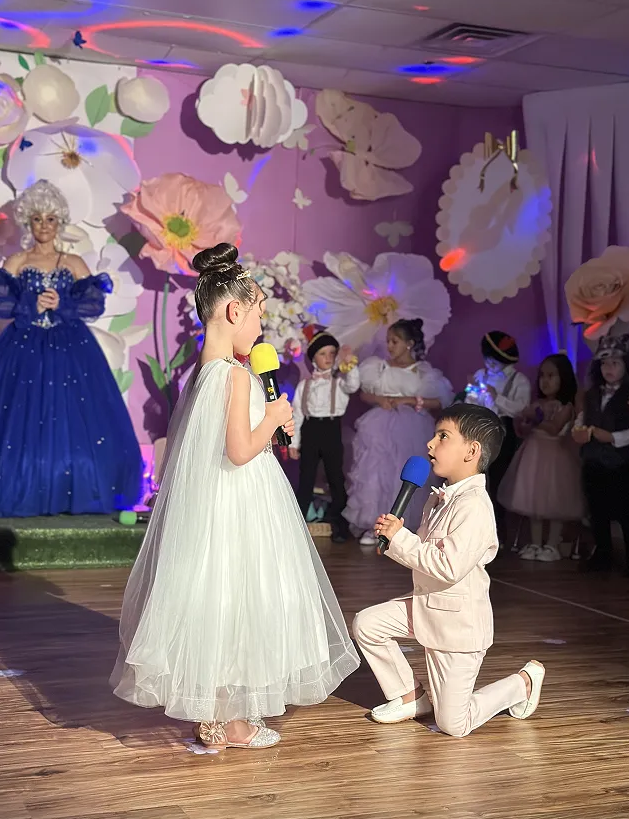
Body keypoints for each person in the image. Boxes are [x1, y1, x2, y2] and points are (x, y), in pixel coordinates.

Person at [111, 243, 360, 750]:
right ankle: (234, 720)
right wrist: (272, 419)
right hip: (242, 502)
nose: (261, 329)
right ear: (234, 311)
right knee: (246, 598)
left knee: (217, 599)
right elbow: (240, 450)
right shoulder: (237, 376)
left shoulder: (199, 373)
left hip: (212, 505)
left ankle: (218, 717)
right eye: (260, 318)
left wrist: (269, 423)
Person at [353, 403, 545, 737]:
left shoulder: (474, 507)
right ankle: (410, 696)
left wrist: (400, 539)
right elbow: (427, 553)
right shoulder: (439, 498)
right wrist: (396, 538)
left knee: (453, 725)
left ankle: (522, 684)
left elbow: (447, 567)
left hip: (457, 626)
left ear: (472, 450)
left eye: (443, 436)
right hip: (428, 607)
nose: (430, 444)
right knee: (367, 624)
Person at [0, 179, 141, 517]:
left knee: (75, 424)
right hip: (22, 347)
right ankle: (18, 492)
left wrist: (62, 304)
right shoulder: (16, 262)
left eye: (50, 219)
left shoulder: (74, 263)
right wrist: (31, 303)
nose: (44, 225)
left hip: (70, 349)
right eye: (37, 218)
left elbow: (92, 304)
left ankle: (69, 491)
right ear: (27, 222)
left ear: (59, 222)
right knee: (15, 427)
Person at [344, 318, 454, 546]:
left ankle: (405, 525)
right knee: (376, 473)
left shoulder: (422, 372)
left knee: (404, 472)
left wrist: (412, 400)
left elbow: (440, 401)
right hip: (380, 425)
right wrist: (380, 399)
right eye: (388, 341)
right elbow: (365, 393)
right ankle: (374, 525)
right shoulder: (378, 367)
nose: (390, 346)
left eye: (395, 341)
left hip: (411, 426)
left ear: (409, 344)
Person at [572, 334, 629, 577]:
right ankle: (603, 554)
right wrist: (578, 432)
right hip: (594, 460)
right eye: (605, 363)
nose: (609, 368)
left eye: (615, 363)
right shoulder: (592, 393)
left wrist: (613, 438)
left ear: (626, 365)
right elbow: (582, 419)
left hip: (621, 463)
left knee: (626, 513)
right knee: (597, 511)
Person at [499, 354, 583, 562]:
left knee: (554, 502)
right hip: (533, 456)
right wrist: (524, 422)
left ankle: (552, 544)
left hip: (555, 458)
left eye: (551, 375)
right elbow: (523, 428)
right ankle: (535, 543)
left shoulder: (566, 406)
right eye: (542, 375)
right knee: (532, 502)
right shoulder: (538, 403)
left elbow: (554, 428)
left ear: (563, 378)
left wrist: (537, 419)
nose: (545, 381)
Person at [288, 325, 360, 543]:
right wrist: (293, 443)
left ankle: (339, 524)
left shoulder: (340, 382)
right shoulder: (304, 385)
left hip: (331, 430)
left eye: (332, 353)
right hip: (310, 431)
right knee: (306, 479)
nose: (328, 358)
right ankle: (298, 525)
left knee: (335, 479)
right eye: (323, 354)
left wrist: (349, 364)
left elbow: (353, 384)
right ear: (313, 358)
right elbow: (298, 414)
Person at [465, 331, 531, 538]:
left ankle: (498, 532)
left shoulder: (518, 380)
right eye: (486, 358)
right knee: (477, 481)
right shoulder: (480, 374)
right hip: (479, 431)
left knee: (500, 481)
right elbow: (471, 401)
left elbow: (521, 409)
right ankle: (475, 530)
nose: (489, 363)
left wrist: (497, 397)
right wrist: (474, 392)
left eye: (494, 359)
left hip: (504, 433)